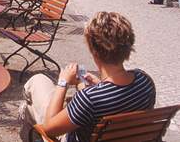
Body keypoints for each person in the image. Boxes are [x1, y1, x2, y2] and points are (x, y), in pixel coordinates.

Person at [19, 12, 155, 142]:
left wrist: (63, 82)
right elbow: (118, 99)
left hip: (71, 136)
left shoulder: (89, 99)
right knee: (30, 107)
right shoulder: (145, 81)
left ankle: (26, 113)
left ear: (93, 51)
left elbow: (49, 128)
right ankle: (27, 111)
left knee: (38, 81)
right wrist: (99, 85)